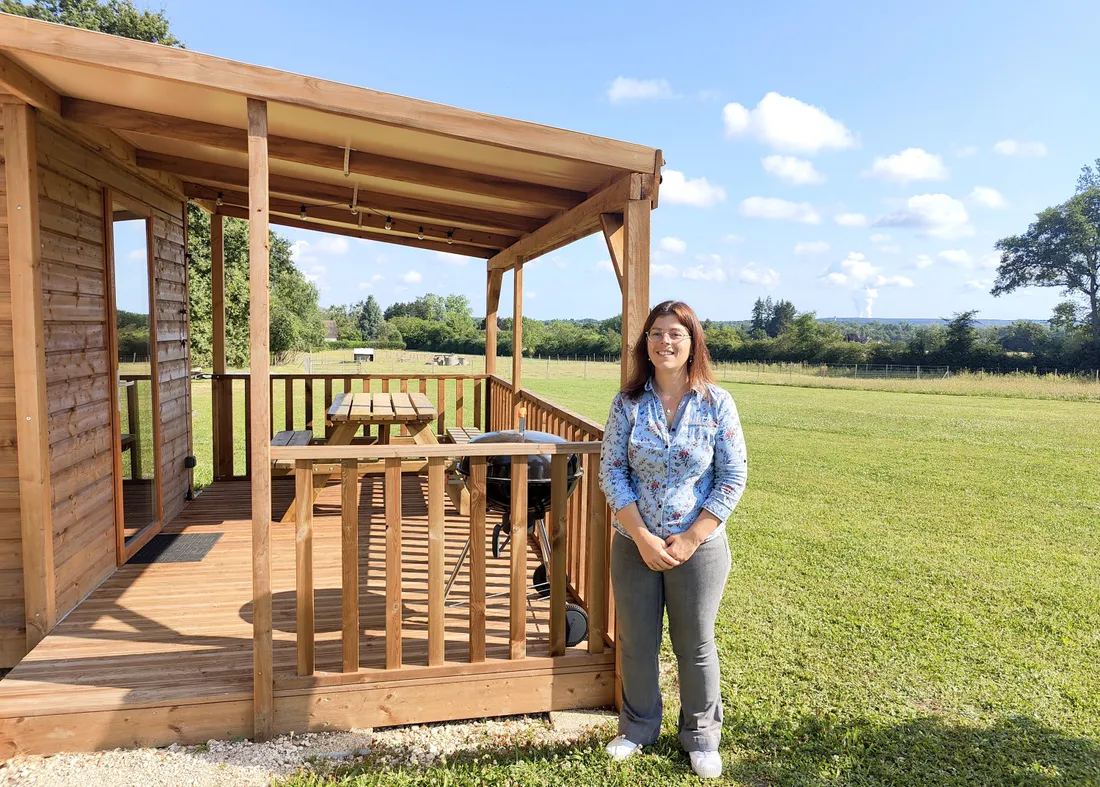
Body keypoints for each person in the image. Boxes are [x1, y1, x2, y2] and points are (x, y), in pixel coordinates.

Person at [598, 300, 748, 780]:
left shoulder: (716, 403)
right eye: (657, 333)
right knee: (637, 642)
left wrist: (691, 538)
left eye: (676, 334)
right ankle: (637, 729)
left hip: (699, 549)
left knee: (696, 643)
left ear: (692, 343)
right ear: (646, 343)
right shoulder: (628, 403)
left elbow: (733, 476)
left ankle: (702, 736)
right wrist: (641, 536)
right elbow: (612, 472)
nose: (666, 342)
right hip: (634, 544)